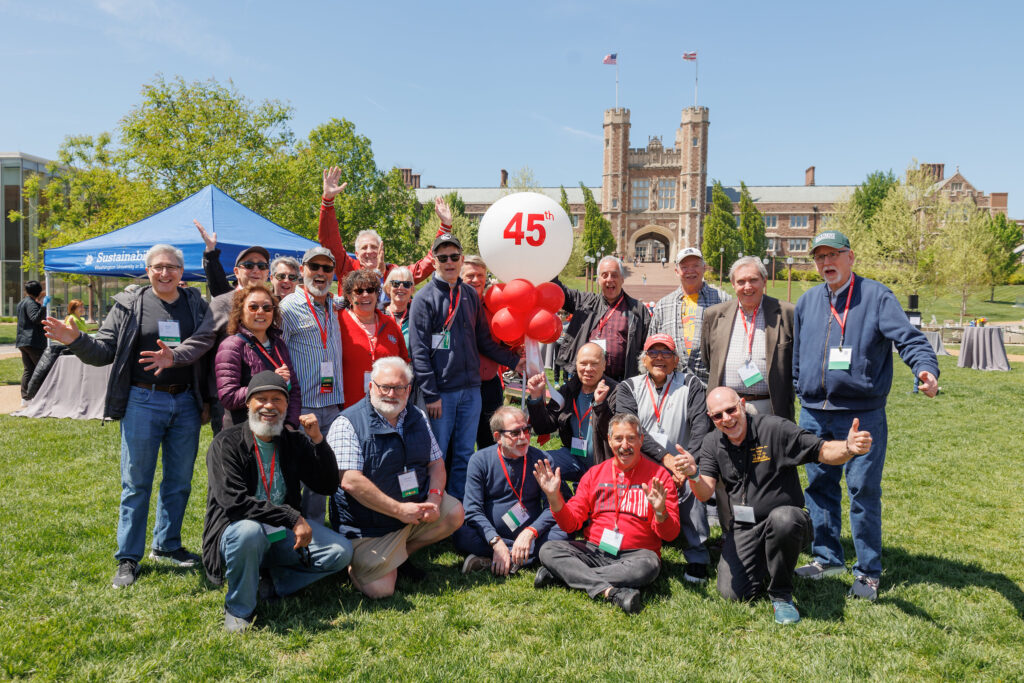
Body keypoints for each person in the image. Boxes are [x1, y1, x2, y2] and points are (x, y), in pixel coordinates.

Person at [42, 244, 215, 588]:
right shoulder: (129, 304)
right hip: (142, 400)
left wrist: (197, 386)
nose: (165, 273)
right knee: (136, 483)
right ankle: (128, 558)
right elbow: (104, 350)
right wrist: (77, 340)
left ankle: (167, 545)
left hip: (185, 405)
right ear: (147, 270)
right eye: (157, 267)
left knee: (179, 482)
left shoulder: (196, 305)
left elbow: (206, 345)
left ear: (182, 272)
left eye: (172, 267)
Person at [793, 230, 939, 601]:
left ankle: (868, 572)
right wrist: (802, 386)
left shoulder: (876, 297)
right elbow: (798, 355)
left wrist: (924, 369)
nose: (826, 263)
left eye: (833, 255)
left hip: (861, 415)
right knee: (819, 489)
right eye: (819, 257)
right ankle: (827, 558)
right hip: (814, 414)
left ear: (850, 257)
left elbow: (909, 338)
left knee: (862, 491)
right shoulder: (809, 301)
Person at [675, 387, 873, 624]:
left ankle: (781, 595)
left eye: (730, 410)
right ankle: (770, 562)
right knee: (732, 593)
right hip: (744, 526)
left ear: (742, 404)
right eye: (718, 416)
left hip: (786, 521)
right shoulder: (712, 442)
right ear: (711, 418)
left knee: (784, 520)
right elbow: (705, 492)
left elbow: (822, 451)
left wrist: (848, 447)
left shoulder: (775, 429)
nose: (726, 419)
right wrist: (694, 475)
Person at [202, 371, 352, 632]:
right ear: (248, 403)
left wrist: (318, 441)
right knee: (249, 531)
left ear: (286, 405)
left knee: (340, 552)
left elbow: (327, 485)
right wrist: (293, 518)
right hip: (238, 533)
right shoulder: (225, 443)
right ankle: (239, 609)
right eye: (261, 399)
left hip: (281, 534)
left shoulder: (293, 441)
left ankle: (273, 582)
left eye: (277, 399)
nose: (269, 406)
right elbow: (235, 504)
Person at [328, 357, 464, 598]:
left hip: (411, 513)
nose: (391, 394)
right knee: (382, 591)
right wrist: (399, 510)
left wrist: (433, 500)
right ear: (371, 386)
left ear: (408, 390)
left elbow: (436, 464)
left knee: (454, 513)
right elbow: (350, 481)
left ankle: (399, 556)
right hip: (368, 525)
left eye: (399, 388)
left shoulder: (417, 416)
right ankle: (353, 565)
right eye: (385, 387)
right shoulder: (347, 423)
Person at [408, 234, 523, 501]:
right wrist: (431, 394)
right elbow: (419, 352)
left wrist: (514, 360)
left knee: (463, 454)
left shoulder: (470, 296)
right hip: (441, 394)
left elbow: (484, 341)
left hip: (471, 391)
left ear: (461, 259)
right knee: (437, 455)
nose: (449, 262)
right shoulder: (424, 299)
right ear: (434, 261)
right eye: (442, 257)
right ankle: (433, 506)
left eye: (454, 256)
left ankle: (458, 508)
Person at [532, 413, 680, 614]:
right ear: (609, 441)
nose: (624, 445)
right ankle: (611, 592)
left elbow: (670, 535)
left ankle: (564, 575)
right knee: (548, 550)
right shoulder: (594, 474)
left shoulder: (659, 477)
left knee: (649, 566)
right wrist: (554, 497)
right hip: (595, 550)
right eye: (618, 438)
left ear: (641, 440)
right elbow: (571, 524)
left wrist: (661, 511)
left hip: (636, 555)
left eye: (631, 438)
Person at [615, 334, 713, 583]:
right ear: (644, 359)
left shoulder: (690, 384)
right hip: (643, 462)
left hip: (682, 460)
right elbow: (631, 430)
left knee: (693, 484)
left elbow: (700, 427)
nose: (660, 358)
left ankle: (698, 556)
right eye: (653, 353)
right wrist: (666, 461)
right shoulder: (628, 387)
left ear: (676, 359)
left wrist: (683, 465)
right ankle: (631, 544)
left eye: (666, 353)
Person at [456, 406, 567, 576]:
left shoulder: (542, 460)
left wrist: (531, 532)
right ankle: (518, 556)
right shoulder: (479, 460)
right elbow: (472, 509)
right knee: (460, 533)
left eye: (526, 430)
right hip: (492, 535)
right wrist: (495, 541)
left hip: (533, 534)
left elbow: (553, 507)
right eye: (515, 433)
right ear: (497, 437)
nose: (523, 438)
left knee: (565, 529)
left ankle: (495, 560)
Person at [279, 246, 346, 526]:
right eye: (314, 267)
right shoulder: (287, 307)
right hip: (305, 405)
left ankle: (323, 529)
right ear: (302, 271)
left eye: (326, 268)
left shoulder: (334, 303)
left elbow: (368, 293)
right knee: (306, 473)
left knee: (332, 470)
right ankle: (306, 531)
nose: (320, 274)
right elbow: (275, 350)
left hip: (335, 404)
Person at [318, 166, 449, 299]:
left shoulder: (395, 274)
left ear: (382, 249)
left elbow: (426, 265)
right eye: (364, 248)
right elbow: (329, 241)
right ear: (356, 254)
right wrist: (327, 201)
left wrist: (445, 227)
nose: (369, 251)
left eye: (374, 247)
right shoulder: (347, 268)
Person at [701, 256, 795, 420]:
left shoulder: (787, 313)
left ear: (764, 281)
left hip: (771, 408)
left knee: (769, 447)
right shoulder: (714, 315)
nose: (748, 287)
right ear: (733, 284)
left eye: (753, 280)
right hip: (727, 410)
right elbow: (709, 359)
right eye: (741, 281)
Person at [526, 342, 618, 489]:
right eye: (583, 363)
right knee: (536, 464)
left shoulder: (615, 391)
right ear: (576, 364)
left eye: (594, 364)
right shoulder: (568, 390)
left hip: (605, 464)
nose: (588, 369)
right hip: (573, 457)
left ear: (604, 365)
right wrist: (536, 397)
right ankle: (562, 500)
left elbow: (618, 433)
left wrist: (601, 405)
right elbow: (544, 427)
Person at [215, 284, 301, 429]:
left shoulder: (279, 344)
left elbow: (294, 391)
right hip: (242, 433)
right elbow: (228, 397)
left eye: (267, 308)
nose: (261, 312)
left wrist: (290, 424)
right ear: (240, 312)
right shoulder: (231, 346)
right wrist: (269, 382)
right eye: (253, 307)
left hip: (276, 430)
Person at [553, 256, 650, 383]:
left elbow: (648, 347)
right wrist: (550, 269)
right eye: (604, 275)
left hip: (621, 384)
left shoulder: (638, 310)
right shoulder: (585, 302)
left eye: (614, 275)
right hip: (586, 382)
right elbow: (560, 292)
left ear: (622, 279)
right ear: (598, 280)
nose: (609, 279)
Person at [648, 247, 731, 384]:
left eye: (695, 266)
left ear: (704, 268)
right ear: (677, 271)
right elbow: (651, 347)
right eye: (684, 267)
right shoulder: (663, 305)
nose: (690, 271)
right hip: (672, 386)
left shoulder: (722, 300)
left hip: (710, 386)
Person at [337, 268, 409, 409]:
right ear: (350, 297)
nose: (365, 295)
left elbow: (404, 360)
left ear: (377, 295)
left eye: (370, 290)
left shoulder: (389, 324)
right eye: (359, 291)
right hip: (349, 406)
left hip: (386, 406)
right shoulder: (338, 322)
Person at [461, 254, 511, 449]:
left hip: (490, 385)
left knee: (491, 441)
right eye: (470, 275)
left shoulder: (495, 307)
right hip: (462, 387)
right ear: (461, 277)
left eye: (480, 275)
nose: (476, 280)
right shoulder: (454, 307)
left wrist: (516, 350)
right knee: (462, 444)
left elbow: (503, 341)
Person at [16, 280, 49, 400]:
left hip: (23, 341)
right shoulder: (31, 304)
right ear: (39, 292)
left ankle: (25, 398)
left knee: (29, 370)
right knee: (43, 369)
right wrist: (44, 306)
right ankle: (44, 396)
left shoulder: (21, 303)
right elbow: (35, 318)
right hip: (33, 341)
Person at [383, 266, 415, 345]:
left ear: (412, 289)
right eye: (396, 283)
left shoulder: (419, 316)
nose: (401, 287)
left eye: (406, 284)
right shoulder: (376, 315)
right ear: (388, 288)